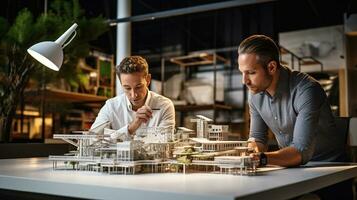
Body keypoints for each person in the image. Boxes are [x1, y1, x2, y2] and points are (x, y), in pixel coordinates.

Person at [237, 35, 346, 167]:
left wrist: (262, 158)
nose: (244, 81)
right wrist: (250, 152)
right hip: (293, 167)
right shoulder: (255, 93)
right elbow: (258, 137)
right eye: (242, 72)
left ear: (271, 67)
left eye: (251, 72)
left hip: (331, 168)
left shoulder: (307, 90)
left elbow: (301, 150)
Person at [90, 56, 175, 140]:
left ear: (148, 80)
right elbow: (91, 139)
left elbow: (165, 143)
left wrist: (114, 136)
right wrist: (131, 128)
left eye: (138, 87)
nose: (134, 95)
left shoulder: (164, 106)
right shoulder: (111, 106)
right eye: (127, 88)